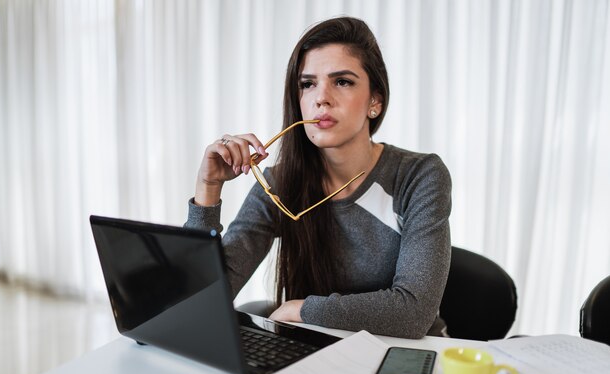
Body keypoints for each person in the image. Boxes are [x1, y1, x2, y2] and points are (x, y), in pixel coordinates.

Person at [185, 16, 452, 339]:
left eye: (342, 81)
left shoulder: (419, 176)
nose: (320, 98)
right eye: (307, 84)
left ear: (375, 102)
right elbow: (197, 303)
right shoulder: (278, 185)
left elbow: (412, 313)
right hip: (317, 359)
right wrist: (208, 189)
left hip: (407, 359)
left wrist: (301, 309)